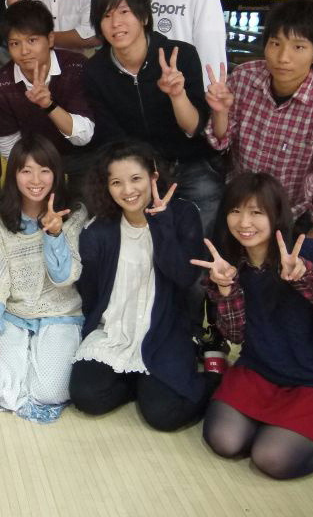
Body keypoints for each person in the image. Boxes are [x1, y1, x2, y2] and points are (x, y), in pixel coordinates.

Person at [194, 172, 313, 479]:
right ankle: (281, 425)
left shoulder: (307, 253)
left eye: (256, 212)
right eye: (235, 211)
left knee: (271, 458)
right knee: (224, 440)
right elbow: (235, 335)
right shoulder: (229, 261)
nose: (244, 223)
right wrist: (226, 290)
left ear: (276, 215)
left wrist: (307, 280)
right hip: (261, 370)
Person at [70, 141, 213, 431]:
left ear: (153, 177)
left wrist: (162, 224)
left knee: (164, 416)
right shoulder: (99, 229)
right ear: (107, 186)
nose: (128, 190)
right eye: (116, 182)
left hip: (165, 334)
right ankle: (140, 382)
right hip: (115, 333)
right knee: (86, 397)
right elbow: (90, 291)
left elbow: (184, 276)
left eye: (136, 178)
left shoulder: (183, 214)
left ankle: (214, 379)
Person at [205, 0, 313, 259]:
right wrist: (220, 112)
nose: (283, 57)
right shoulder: (244, 77)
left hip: (293, 212)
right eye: (275, 43)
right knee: (220, 274)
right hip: (241, 205)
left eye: (298, 47)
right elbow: (221, 141)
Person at [83, 0, 221, 234]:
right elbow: (111, 136)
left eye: (124, 12)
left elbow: (194, 127)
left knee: (199, 237)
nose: (116, 23)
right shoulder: (95, 71)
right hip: (137, 170)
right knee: (147, 241)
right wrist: (145, 173)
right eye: (106, 16)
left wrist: (177, 95)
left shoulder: (181, 55)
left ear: (144, 17)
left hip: (188, 164)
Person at [0, 136, 87, 423]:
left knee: (49, 392)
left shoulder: (74, 213)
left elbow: (64, 277)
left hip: (60, 314)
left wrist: (54, 234)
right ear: (14, 175)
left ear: (56, 174)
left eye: (44, 170)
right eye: (26, 171)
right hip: (12, 314)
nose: (36, 180)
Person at [0, 0, 94, 197]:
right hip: (33, 164)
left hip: (81, 158)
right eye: (15, 43)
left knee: (85, 207)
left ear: (50, 39)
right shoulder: (0, 85)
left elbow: (84, 137)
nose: (24, 51)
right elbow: (9, 147)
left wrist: (49, 105)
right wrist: (36, 177)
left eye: (32, 40)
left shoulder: (76, 67)